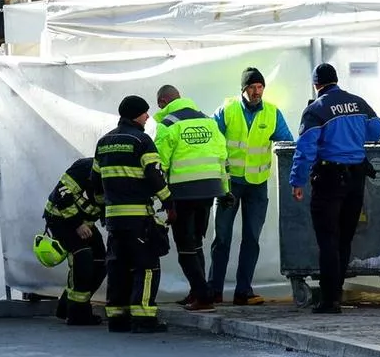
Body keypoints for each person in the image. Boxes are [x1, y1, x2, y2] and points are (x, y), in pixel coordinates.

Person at [290, 63, 380, 314]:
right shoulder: (358, 103)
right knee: (344, 238)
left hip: (330, 178)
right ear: (336, 80)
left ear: (316, 85)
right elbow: (377, 130)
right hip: (356, 178)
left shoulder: (316, 110)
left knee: (328, 239)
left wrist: (297, 181)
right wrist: (352, 136)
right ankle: (337, 290)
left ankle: (330, 300)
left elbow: (305, 149)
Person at [208, 67, 294, 306]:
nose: (257, 92)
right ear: (243, 89)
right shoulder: (228, 110)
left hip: (257, 185)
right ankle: (214, 290)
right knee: (222, 238)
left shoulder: (272, 113)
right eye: (252, 88)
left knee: (251, 239)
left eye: (260, 87)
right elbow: (213, 142)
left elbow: (287, 141)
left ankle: (243, 291)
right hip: (229, 185)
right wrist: (218, 178)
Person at [92, 95, 171, 334]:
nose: (148, 117)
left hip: (114, 221)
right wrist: (169, 201)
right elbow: (154, 175)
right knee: (146, 267)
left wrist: (103, 210)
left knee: (118, 267)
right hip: (138, 218)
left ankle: (117, 318)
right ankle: (144, 318)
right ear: (137, 114)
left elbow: (95, 182)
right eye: (145, 113)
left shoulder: (104, 142)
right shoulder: (142, 140)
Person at [153, 85, 233, 312]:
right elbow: (222, 158)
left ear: (163, 102)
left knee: (185, 248)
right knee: (196, 244)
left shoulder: (168, 125)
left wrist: (162, 197)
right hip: (209, 191)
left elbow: (161, 164)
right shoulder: (208, 121)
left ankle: (203, 297)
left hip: (183, 193)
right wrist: (224, 190)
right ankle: (196, 292)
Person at [41, 157, 106, 326]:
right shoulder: (85, 167)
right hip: (61, 218)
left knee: (101, 262)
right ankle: (77, 313)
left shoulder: (116, 173)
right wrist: (77, 224)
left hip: (86, 223)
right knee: (82, 259)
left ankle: (66, 307)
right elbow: (62, 194)